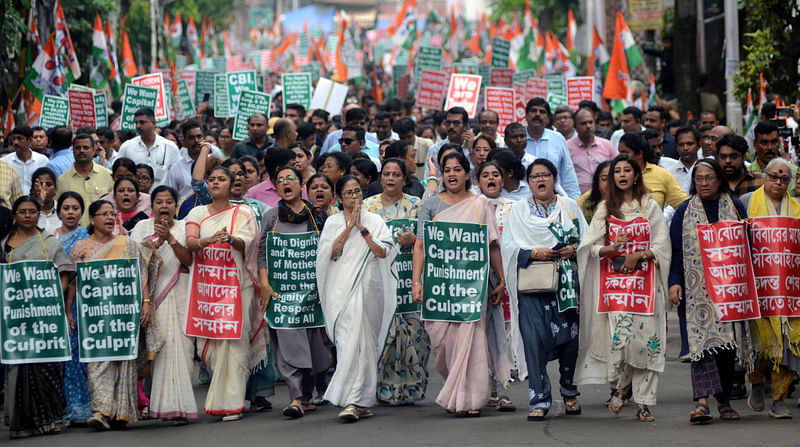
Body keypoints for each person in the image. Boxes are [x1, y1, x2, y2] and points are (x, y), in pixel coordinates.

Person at [576, 154, 671, 422]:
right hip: (615, 289)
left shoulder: (649, 207)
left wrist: (638, 256)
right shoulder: (606, 208)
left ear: (636, 175)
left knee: (648, 343)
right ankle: (623, 384)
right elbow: (589, 247)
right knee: (625, 341)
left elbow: (662, 247)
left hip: (646, 287)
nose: (621, 175)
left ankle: (642, 402)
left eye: (626, 170)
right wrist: (611, 248)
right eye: (616, 171)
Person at [411, 152, 505, 416]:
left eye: (457, 169)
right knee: (443, 344)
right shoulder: (431, 206)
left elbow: (493, 246)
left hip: (472, 287)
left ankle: (470, 400)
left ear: (467, 174)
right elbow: (420, 245)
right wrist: (416, 282)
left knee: (472, 339)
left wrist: (502, 281)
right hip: (439, 286)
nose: (452, 174)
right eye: (447, 170)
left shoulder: (480, 204)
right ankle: (456, 389)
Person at [502, 159, 587, 421]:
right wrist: (532, 252)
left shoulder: (569, 206)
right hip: (532, 287)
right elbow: (508, 246)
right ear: (529, 181)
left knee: (570, 341)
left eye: (546, 175)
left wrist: (574, 250)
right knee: (534, 341)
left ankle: (569, 391)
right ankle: (539, 398)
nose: (541, 180)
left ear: (554, 178)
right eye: (535, 176)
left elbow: (586, 240)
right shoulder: (518, 211)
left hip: (565, 287)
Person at [668, 158, 750, 424]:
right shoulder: (684, 211)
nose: (703, 183)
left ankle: (724, 402)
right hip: (695, 293)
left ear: (719, 180)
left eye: (709, 178)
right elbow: (676, 252)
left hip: (729, 290)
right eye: (698, 179)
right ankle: (702, 403)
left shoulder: (735, 207)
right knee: (700, 346)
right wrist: (675, 281)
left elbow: (747, 246)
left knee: (725, 348)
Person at [184, 166, 266, 421]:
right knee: (209, 348)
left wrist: (230, 239)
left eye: (222, 179)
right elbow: (190, 242)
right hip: (206, 288)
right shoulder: (197, 212)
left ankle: (232, 402)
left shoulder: (243, 212)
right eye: (212, 179)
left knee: (235, 341)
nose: (216, 183)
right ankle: (221, 398)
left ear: (231, 185)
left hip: (237, 286)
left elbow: (248, 242)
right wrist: (208, 241)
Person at [317, 175, 396, 422]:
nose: (354, 197)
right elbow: (328, 254)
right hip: (341, 292)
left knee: (365, 346)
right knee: (346, 343)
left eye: (357, 192)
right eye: (349, 193)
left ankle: (356, 401)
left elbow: (384, 252)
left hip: (370, 289)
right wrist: (349, 226)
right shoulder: (332, 223)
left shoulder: (375, 220)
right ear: (339, 198)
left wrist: (362, 229)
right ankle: (354, 400)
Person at [70, 200, 152, 430]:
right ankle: (100, 411)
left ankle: (120, 413)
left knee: (124, 361)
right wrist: (68, 311)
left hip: (123, 315)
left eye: (112, 214)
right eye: (103, 214)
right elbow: (74, 284)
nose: (109, 218)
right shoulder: (81, 249)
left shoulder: (128, 245)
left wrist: (145, 303)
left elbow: (141, 275)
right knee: (96, 363)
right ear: (92, 219)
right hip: (94, 317)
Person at [257, 166, 330, 419]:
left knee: (312, 346)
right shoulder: (270, 216)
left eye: (291, 179)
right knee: (287, 343)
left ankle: (307, 396)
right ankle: (295, 397)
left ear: (302, 185)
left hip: (311, 293)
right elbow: (262, 253)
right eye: (280, 181)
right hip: (281, 294)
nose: (285, 183)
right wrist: (265, 284)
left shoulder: (317, 215)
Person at [1, 196, 73, 438]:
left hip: (46, 316)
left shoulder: (48, 243)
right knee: (20, 368)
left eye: (33, 211)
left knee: (48, 366)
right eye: (23, 212)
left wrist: (53, 295)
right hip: (18, 318)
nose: (28, 215)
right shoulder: (5, 245)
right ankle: (23, 423)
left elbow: (65, 272)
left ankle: (51, 417)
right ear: (15, 216)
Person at [363, 158, 430, 405]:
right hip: (381, 280)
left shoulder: (416, 205)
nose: (391, 179)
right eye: (387, 174)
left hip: (410, 280)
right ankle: (383, 389)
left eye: (396, 175)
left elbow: (427, 239)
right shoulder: (367, 206)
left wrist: (414, 238)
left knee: (416, 336)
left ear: (404, 179)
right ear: (381, 178)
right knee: (383, 334)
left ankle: (413, 388)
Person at [129, 186, 198, 424]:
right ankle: (162, 406)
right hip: (152, 296)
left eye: (169, 202)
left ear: (176, 206)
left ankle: (182, 406)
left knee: (183, 348)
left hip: (180, 293)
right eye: (159, 202)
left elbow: (189, 261)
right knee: (159, 350)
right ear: (153, 205)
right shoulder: (141, 228)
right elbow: (135, 263)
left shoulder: (184, 226)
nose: (164, 206)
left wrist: (169, 238)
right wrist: (155, 243)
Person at [740, 157, 800, 419]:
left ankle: (778, 400)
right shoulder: (745, 203)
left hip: (787, 289)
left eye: (784, 178)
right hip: (757, 287)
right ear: (764, 176)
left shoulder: (797, 209)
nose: (778, 182)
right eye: (774, 176)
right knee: (758, 343)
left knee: (786, 344)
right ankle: (755, 383)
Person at [475, 161, 515, 412]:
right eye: (485, 175)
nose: (491, 178)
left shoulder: (517, 208)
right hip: (472, 282)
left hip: (505, 278)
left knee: (501, 335)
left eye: (495, 174)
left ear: (503, 179)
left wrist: (503, 280)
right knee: (477, 338)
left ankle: (502, 390)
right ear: (478, 181)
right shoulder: (469, 207)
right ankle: (482, 390)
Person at [52, 192, 92, 425]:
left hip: (81, 301)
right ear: (58, 211)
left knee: (80, 353)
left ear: (81, 212)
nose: (70, 212)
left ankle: (85, 405)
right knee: (65, 355)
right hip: (56, 300)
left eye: (75, 208)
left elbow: (80, 273)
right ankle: (68, 405)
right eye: (66, 208)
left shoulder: (86, 236)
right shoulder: (51, 238)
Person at [524, 98, 581, 198]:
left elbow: (567, 174)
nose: (537, 114)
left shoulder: (558, 138)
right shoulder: (517, 138)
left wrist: (574, 203)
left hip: (555, 199)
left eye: (542, 112)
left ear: (548, 118)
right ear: (526, 116)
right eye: (533, 111)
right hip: (523, 200)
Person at [617, 133, 688, 210]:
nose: (620, 157)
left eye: (625, 152)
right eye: (620, 152)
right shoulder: (615, 174)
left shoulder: (661, 175)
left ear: (639, 154)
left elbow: (684, 205)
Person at [55, 134, 114, 225]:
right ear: (73, 150)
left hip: (102, 233)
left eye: (86, 147)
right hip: (74, 234)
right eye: (78, 148)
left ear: (94, 150)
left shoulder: (108, 176)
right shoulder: (62, 180)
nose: (81, 151)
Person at [117, 108, 180, 187]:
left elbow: (178, 175)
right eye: (136, 123)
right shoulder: (127, 146)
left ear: (153, 123)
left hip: (161, 197)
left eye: (142, 122)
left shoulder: (169, 147)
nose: (138, 126)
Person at [567, 109, 617, 193]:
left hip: (605, 196)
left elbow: (617, 169)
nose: (588, 126)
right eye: (583, 123)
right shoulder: (567, 147)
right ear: (575, 126)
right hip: (578, 199)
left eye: (591, 122)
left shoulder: (607, 145)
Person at [2, 126, 49, 193]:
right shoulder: (4, 162)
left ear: (29, 141)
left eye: (19, 139)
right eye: (14, 139)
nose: (15, 142)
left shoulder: (42, 161)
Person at [667, 126, 701, 193]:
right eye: (681, 145)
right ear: (676, 147)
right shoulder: (669, 174)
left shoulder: (708, 170)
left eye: (689, 144)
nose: (685, 148)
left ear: (699, 145)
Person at [31, 167, 60, 233]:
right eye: (40, 184)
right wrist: (40, 202)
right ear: (33, 188)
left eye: (49, 185)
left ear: (55, 188)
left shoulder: (62, 209)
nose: (44, 189)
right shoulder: (27, 211)